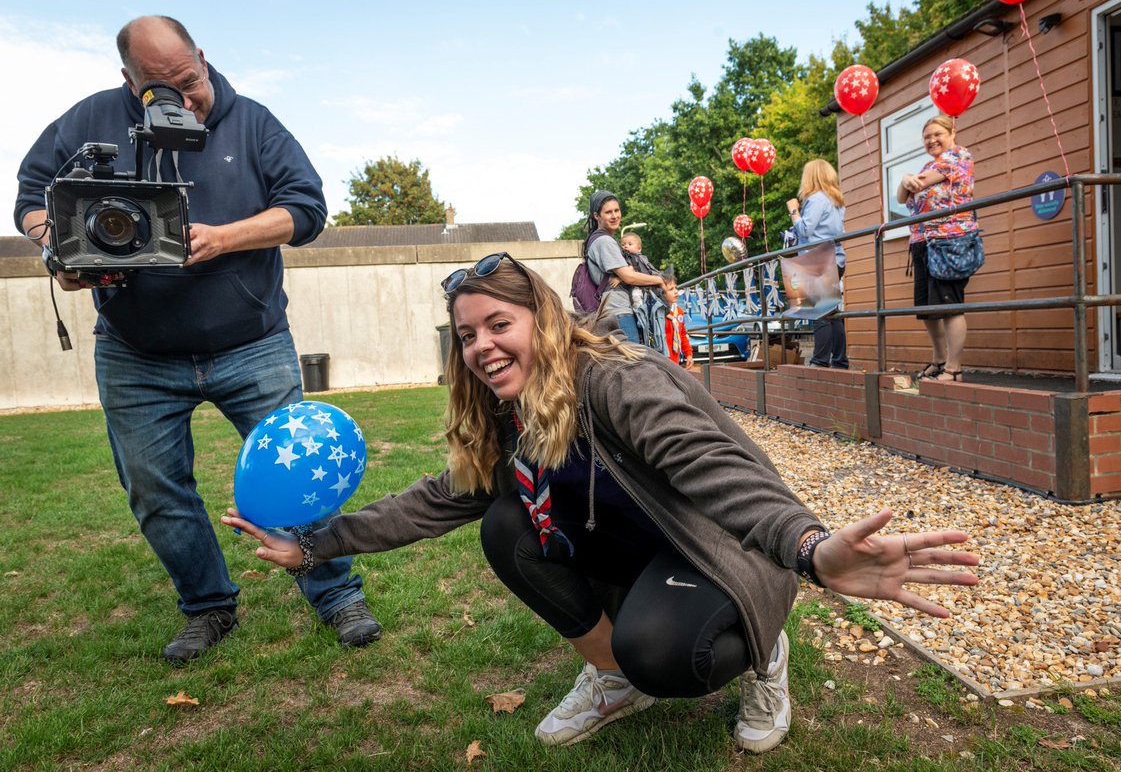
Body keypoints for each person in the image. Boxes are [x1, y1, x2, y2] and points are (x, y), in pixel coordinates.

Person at [222, 252, 980, 753]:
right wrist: (317, 544)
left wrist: (810, 549)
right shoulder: (507, 408)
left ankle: (763, 649)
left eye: (498, 324)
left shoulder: (618, 378)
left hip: (721, 549)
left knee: (661, 653)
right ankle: (609, 677)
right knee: (503, 525)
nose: (482, 346)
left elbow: (716, 469)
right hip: (641, 551)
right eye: (467, 334)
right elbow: (433, 500)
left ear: (543, 320)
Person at [13, 16, 380, 663]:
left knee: (298, 478)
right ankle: (208, 605)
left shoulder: (254, 122)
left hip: (252, 342)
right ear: (128, 81)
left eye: (190, 80)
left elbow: (307, 209)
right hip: (136, 351)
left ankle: (336, 594)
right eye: (161, 88)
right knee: (157, 490)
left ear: (204, 59)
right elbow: (31, 199)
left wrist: (223, 236)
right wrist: (59, 251)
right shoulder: (89, 119)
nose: (184, 99)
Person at [896, 115, 979, 383]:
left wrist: (909, 179)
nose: (932, 140)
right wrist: (905, 179)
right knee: (927, 309)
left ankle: (954, 369)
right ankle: (939, 360)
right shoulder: (929, 165)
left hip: (948, 240)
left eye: (937, 134)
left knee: (949, 305)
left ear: (951, 132)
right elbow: (901, 196)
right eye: (927, 137)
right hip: (922, 242)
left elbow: (915, 185)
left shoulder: (958, 156)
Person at [785, 158, 849, 369]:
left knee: (820, 312)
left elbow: (806, 230)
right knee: (833, 313)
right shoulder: (836, 200)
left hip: (818, 260)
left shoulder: (816, 199)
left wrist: (794, 211)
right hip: (836, 257)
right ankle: (840, 360)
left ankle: (820, 360)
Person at [583, 191, 663, 343]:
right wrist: (659, 280)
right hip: (618, 311)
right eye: (608, 212)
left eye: (616, 210)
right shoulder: (604, 242)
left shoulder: (603, 240)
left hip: (615, 310)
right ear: (596, 216)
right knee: (632, 362)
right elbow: (629, 276)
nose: (614, 216)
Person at [661, 275, 694, 370]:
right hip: (663, 360)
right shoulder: (659, 313)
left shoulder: (679, 311)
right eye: (671, 289)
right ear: (662, 294)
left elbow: (682, 334)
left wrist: (689, 354)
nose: (676, 291)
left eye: (676, 287)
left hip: (675, 360)